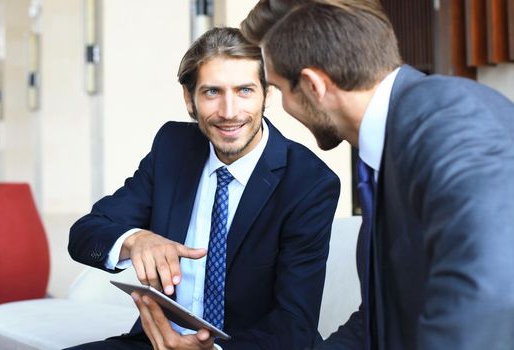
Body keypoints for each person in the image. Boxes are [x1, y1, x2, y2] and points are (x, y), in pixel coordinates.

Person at [240, 1, 514, 350]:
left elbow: (489, 295)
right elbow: (381, 321)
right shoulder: (391, 145)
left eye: (278, 90)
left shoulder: (451, 118)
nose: (283, 107)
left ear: (312, 85)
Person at [67, 27, 340, 350]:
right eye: (212, 92)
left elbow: (294, 326)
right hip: (156, 343)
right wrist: (135, 240)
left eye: (244, 91)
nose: (228, 112)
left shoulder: (308, 182)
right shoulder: (173, 148)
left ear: (267, 94)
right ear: (189, 99)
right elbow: (84, 235)